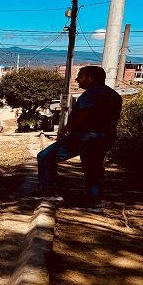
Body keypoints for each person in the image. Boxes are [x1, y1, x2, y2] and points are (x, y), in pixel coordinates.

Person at [35, 66, 122, 213]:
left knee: (45, 157)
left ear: (91, 78)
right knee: (93, 169)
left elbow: (85, 113)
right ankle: (93, 202)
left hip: (85, 137)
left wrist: (66, 128)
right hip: (104, 137)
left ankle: (51, 192)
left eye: (80, 76)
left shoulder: (91, 93)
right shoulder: (114, 95)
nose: (77, 79)